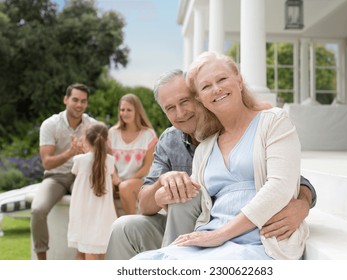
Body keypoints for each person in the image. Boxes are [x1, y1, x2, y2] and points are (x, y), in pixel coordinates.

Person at [104, 69, 316, 260]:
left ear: (200, 97)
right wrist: (162, 184)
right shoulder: (169, 140)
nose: (180, 113)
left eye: (185, 101)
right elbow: (144, 205)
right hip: (185, 225)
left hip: (230, 226)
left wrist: (302, 204)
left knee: (187, 196)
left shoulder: (232, 125)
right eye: (170, 108)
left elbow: (290, 179)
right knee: (124, 227)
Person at [32, 83, 95, 260]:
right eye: (75, 100)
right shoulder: (50, 125)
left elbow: (105, 152)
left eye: (83, 101)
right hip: (56, 177)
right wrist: (71, 152)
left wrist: (90, 151)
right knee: (38, 210)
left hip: (80, 177)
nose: (79, 105)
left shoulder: (91, 125)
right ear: (66, 100)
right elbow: (47, 163)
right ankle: (42, 260)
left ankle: (80, 256)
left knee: (90, 206)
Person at [68, 122, 117, 260]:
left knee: (88, 248)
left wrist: (84, 152)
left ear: (86, 140)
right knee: (103, 248)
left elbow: (76, 172)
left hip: (84, 212)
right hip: (103, 213)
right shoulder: (110, 161)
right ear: (106, 140)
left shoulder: (79, 160)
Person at [108, 93, 158, 215]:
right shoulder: (112, 133)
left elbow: (147, 167)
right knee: (102, 185)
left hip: (140, 180)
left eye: (129, 110)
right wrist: (115, 177)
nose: (124, 113)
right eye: (122, 110)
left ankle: (129, 223)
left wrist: (126, 180)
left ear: (137, 112)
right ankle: (113, 222)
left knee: (125, 187)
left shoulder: (148, 135)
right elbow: (108, 160)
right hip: (117, 179)